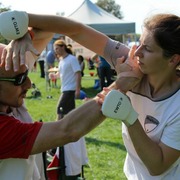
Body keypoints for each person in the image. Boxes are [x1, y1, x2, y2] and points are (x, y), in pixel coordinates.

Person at [1, 11, 180, 179]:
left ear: (173, 59)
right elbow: (77, 31)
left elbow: (158, 166)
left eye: (147, 48)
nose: (137, 51)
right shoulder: (135, 64)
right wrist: (121, 84)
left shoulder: (136, 66)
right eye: (139, 43)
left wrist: (25, 27)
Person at [49, 39, 88, 178]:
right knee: (68, 115)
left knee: (59, 114)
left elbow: (78, 73)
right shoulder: (61, 61)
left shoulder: (71, 59)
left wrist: (78, 89)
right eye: (54, 49)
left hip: (69, 91)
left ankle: (55, 146)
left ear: (63, 47)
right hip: (64, 90)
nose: (55, 51)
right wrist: (55, 75)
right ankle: (67, 139)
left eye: (57, 48)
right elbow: (62, 74)